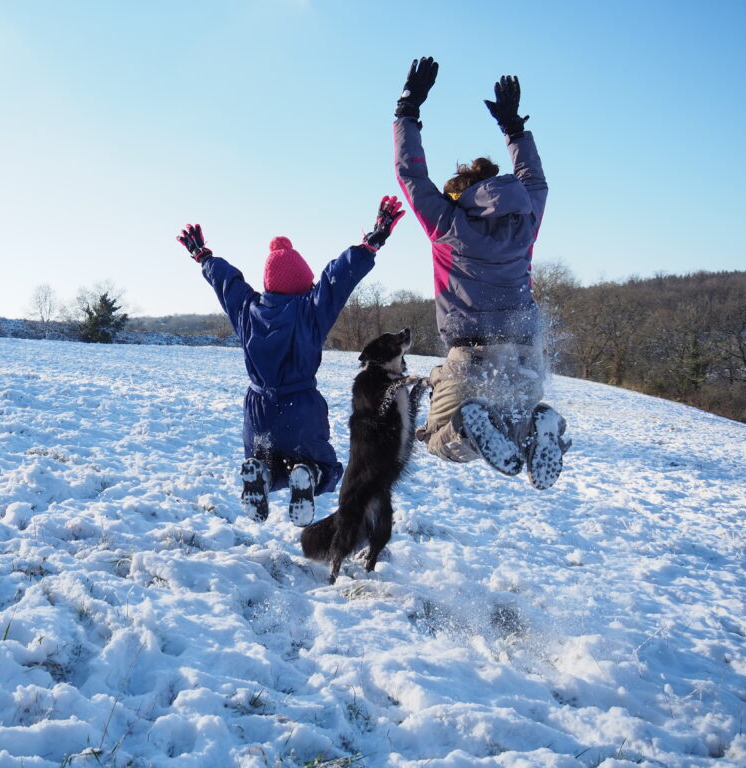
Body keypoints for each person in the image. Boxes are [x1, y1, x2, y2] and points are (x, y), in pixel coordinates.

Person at [392, 56, 570, 490]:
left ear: (457, 197)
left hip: (471, 356)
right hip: (524, 353)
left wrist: (408, 109)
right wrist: (513, 127)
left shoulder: (447, 224)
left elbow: (410, 173)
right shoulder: (524, 220)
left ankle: (473, 428)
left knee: (439, 438)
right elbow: (535, 181)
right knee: (514, 430)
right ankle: (539, 428)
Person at [176, 197, 406, 524]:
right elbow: (337, 279)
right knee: (323, 467)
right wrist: (371, 243)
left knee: (266, 462)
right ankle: (308, 474)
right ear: (302, 283)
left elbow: (227, 283)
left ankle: (264, 475)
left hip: (258, 410)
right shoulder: (310, 310)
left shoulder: (247, 310)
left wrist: (203, 256)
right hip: (301, 406)